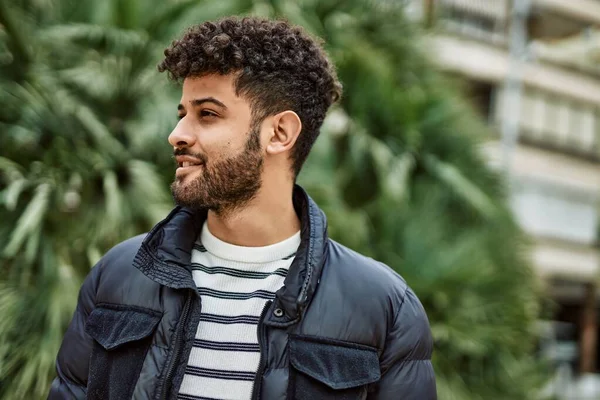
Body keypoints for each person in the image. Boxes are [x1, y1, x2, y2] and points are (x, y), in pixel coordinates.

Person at [48, 16, 436, 400]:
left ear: (279, 133)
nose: (177, 135)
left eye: (208, 114)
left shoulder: (384, 308)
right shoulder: (117, 275)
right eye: (183, 114)